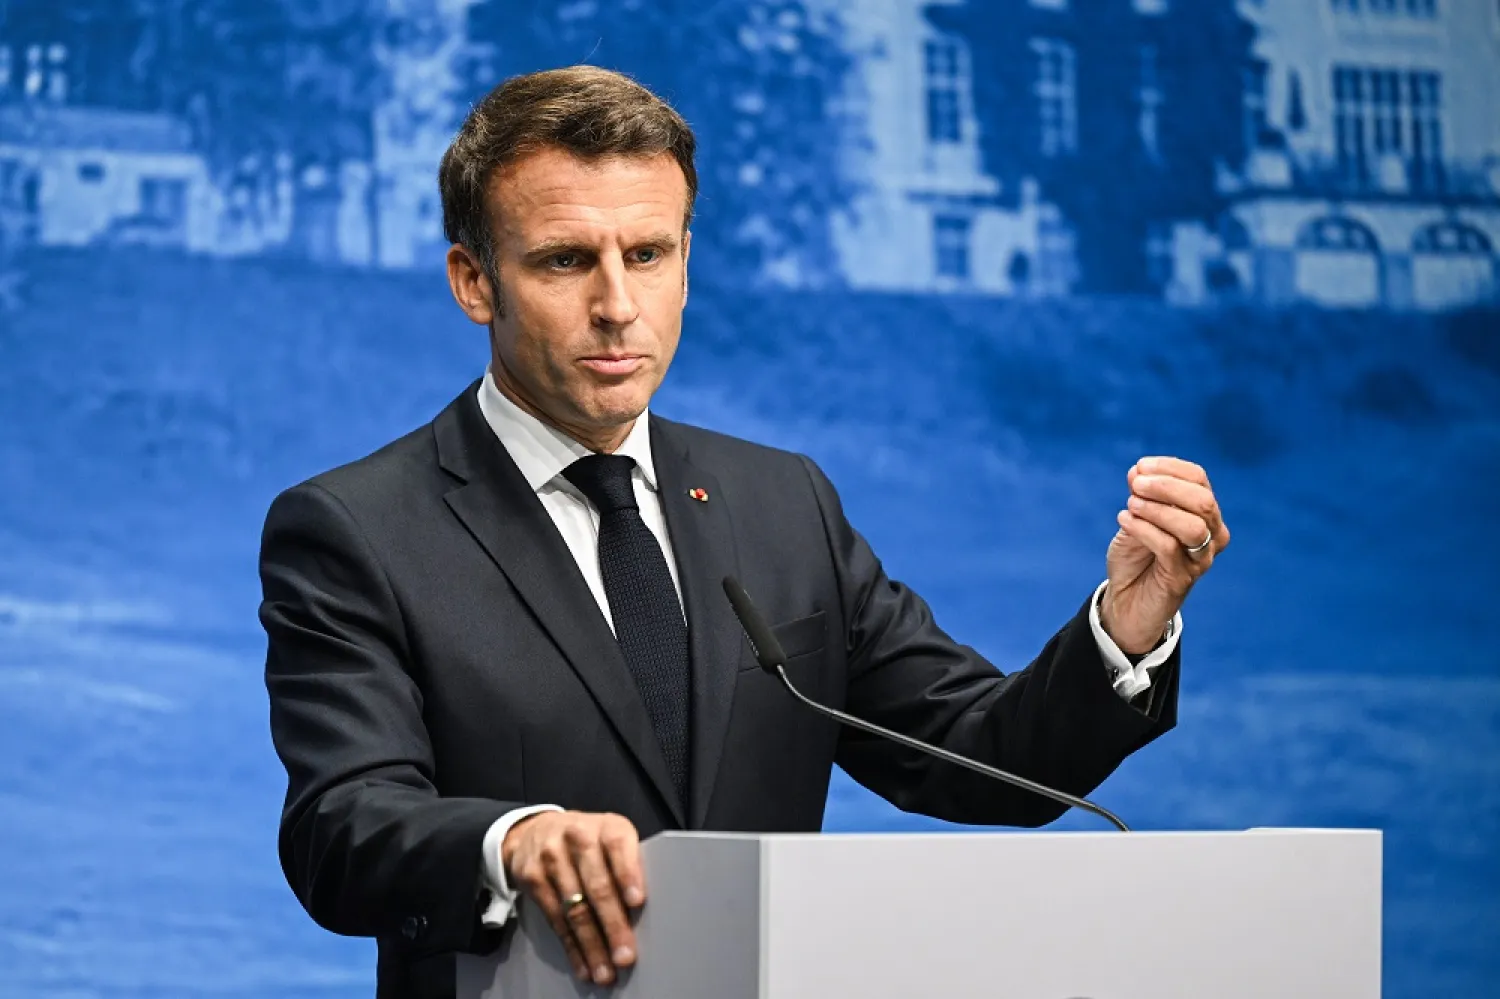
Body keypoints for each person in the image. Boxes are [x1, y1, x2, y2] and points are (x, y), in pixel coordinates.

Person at [259, 66, 1229, 999]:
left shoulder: (783, 503)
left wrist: (1127, 629)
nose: (617, 306)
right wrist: (510, 843)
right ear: (474, 282)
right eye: (565, 260)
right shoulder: (357, 531)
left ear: (686, 264)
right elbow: (342, 828)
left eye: (648, 254)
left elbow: (987, 757)